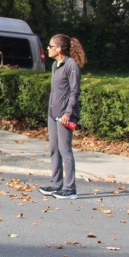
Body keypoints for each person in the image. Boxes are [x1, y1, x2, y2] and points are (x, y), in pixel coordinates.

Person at [38, 34, 86, 200]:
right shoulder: (55, 65)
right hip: (53, 113)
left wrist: (68, 113)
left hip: (65, 115)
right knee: (54, 149)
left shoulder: (71, 65)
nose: (48, 49)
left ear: (59, 49)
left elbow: (75, 91)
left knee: (65, 150)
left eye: (50, 46)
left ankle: (70, 188)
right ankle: (56, 184)